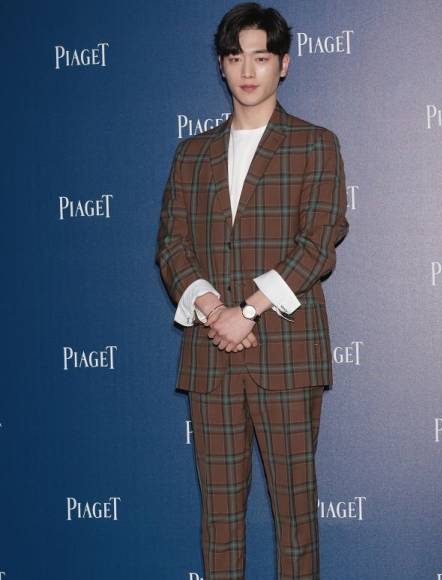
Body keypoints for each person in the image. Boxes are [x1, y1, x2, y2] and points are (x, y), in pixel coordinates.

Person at [155, 3, 349, 578]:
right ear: (221, 64)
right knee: (219, 520)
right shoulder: (191, 154)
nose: (247, 70)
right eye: (236, 57)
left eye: (261, 57)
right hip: (211, 355)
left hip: (286, 356)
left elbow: (318, 241)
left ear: (283, 64)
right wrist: (215, 309)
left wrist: (248, 310)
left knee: (295, 521)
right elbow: (172, 244)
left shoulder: (315, 144)